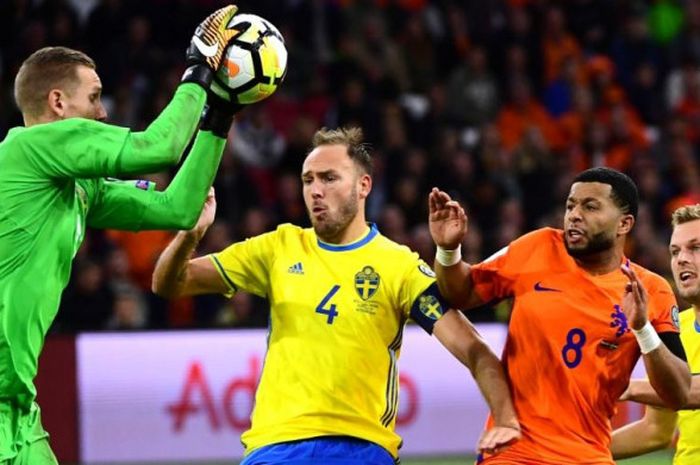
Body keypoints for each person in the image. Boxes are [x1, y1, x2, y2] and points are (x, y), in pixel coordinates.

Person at [152, 127, 521, 465]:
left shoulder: (398, 267)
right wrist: (189, 234)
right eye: (308, 180)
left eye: (329, 178)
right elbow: (169, 283)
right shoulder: (279, 248)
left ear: (364, 186)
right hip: (275, 447)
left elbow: (474, 350)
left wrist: (505, 420)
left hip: (359, 448)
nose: (315, 190)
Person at [0, 5, 244, 464]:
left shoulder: (77, 186)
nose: (103, 109)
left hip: (16, 400)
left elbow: (179, 207)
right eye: (93, 97)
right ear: (58, 103)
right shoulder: (28, 148)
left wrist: (220, 115)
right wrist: (198, 67)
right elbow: (160, 146)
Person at [428, 166, 691, 465]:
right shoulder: (537, 247)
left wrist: (643, 329)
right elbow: (461, 293)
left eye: (590, 206)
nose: (574, 215)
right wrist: (449, 251)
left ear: (624, 223)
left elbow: (678, 393)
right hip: (513, 452)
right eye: (570, 205)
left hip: (589, 455)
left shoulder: (650, 290)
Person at [611, 204, 700, 464]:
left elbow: (691, 392)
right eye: (675, 251)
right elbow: (655, 431)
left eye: (696, 247)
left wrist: (624, 386)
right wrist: (572, 451)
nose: (681, 258)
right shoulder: (674, 331)